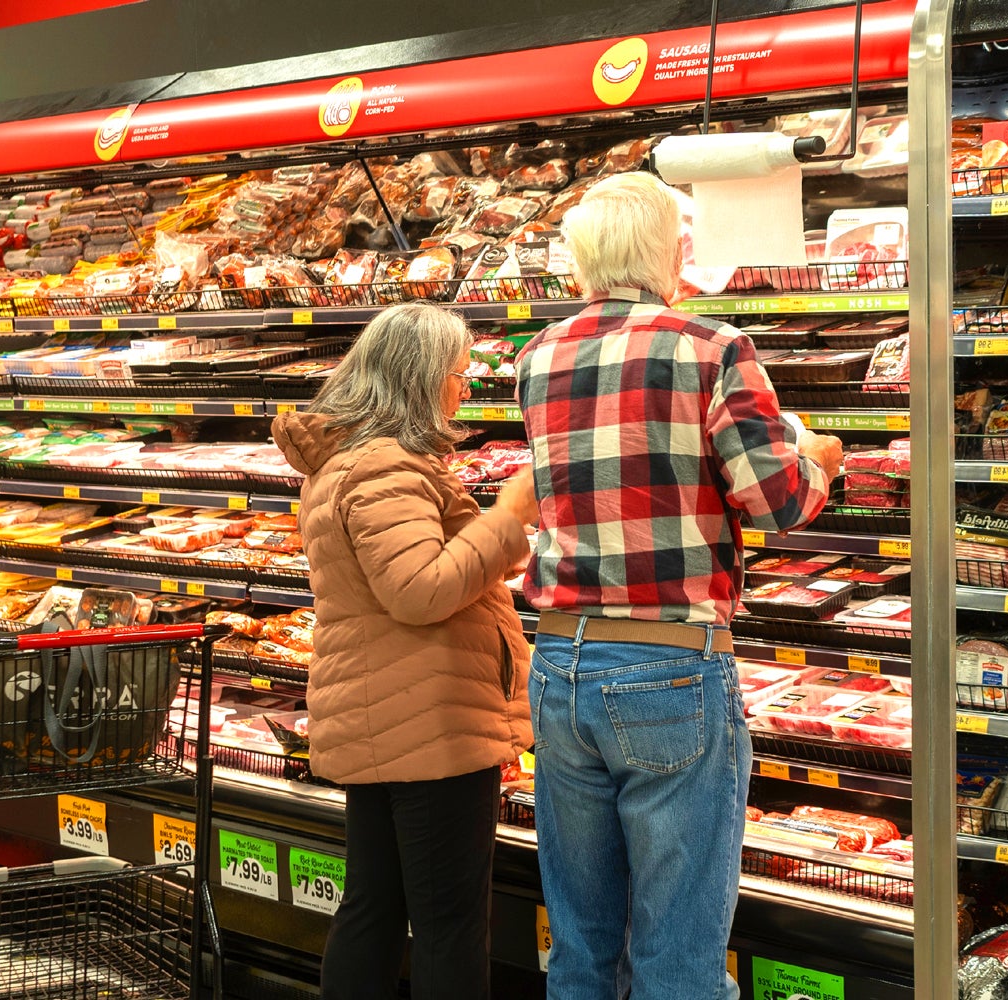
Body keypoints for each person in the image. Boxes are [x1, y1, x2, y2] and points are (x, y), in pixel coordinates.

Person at [516, 171, 844, 999]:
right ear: (671, 252)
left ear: (582, 259)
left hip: (558, 665)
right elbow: (776, 501)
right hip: (668, 666)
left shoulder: (538, 356)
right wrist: (819, 461)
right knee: (680, 957)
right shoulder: (713, 347)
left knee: (582, 947)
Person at [272, 302, 538, 1000]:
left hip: (386, 712)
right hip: (429, 721)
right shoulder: (386, 468)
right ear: (420, 381)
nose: (465, 390)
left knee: (376, 906)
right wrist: (509, 520)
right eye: (458, 373)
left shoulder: (355, 462)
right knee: (448, 922)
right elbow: (419, 590)